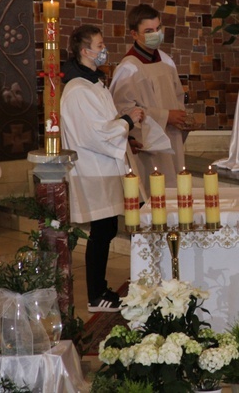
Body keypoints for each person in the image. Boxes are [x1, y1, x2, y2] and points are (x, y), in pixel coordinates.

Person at [61, 24, 144, 313]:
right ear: (84, 51)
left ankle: (101, 288)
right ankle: (95, 295)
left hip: (105, 164)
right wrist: (127, 121)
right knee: (101, 229)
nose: (103, 50)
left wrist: (126, 134)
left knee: (106, 227)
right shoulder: (77, 90)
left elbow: (104, 124)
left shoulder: (93, 82)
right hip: (93, 167)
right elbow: (94, 134)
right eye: (99, 46)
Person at [110, 4, 187, 193]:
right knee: (155, 194)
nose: (156, 34)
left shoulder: (166, 61)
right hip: (149, 145)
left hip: (172, 136)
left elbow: (177, 97)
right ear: (134, 34)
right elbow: (123, 111)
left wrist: (181, 117)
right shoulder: (129, 68)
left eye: (158, 29)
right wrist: (165, 116)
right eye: (149, 31)